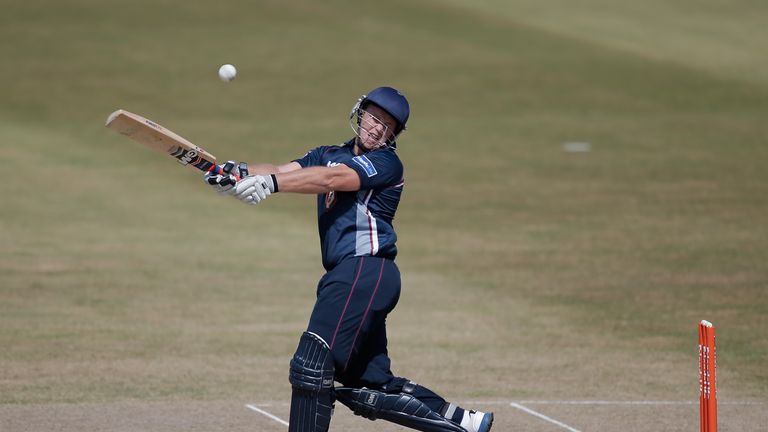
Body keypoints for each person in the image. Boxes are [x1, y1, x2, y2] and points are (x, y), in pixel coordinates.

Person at [204, 86, 494, 432]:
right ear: (360, 113)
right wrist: (237, 172)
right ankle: (463, 422)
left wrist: (271, 183)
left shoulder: (386, 163)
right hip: (359, 278)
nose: (376, 128)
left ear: (394, 134)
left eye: (387, 125)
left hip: (364, 270)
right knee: (366, 384)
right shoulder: (328, 152)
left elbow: (332, 178)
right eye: (373, 117)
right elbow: (283, 168)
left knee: (312, 364)